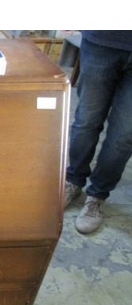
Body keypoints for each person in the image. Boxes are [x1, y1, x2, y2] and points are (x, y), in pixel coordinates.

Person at [64, 30, 132, 234]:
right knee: (86, 122)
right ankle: (73, 180)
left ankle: (98, 196)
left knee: (124, 135)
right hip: (102, 39)